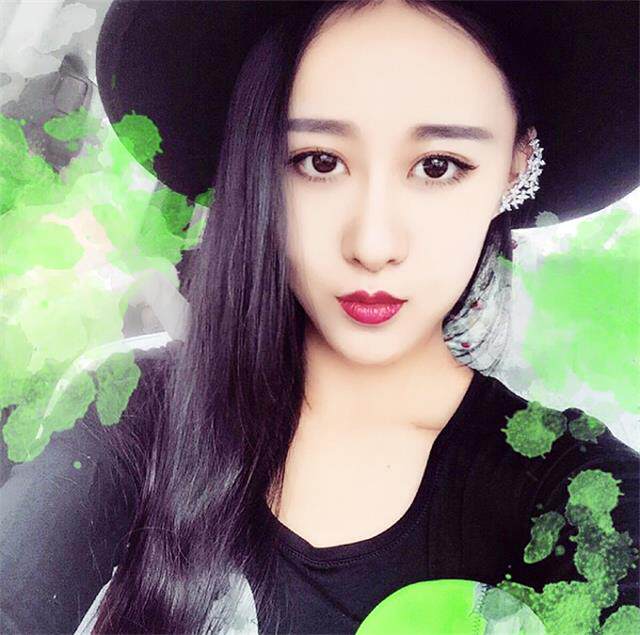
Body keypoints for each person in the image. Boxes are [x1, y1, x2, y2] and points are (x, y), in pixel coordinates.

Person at [1, 1, 638, 633]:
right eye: (320, 161)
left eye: (438, 166)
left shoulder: (582, 494)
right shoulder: (130, 413)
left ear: (514, 169)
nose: (373, 244)